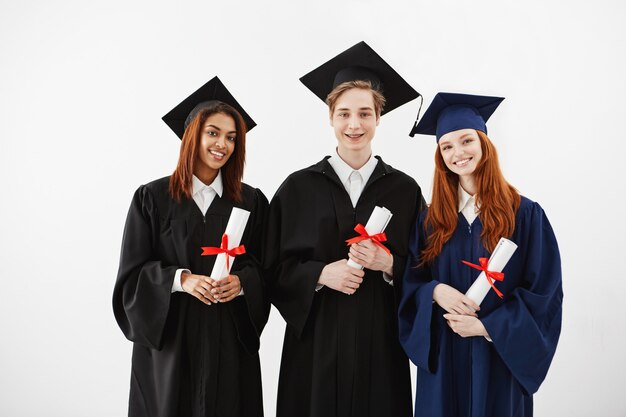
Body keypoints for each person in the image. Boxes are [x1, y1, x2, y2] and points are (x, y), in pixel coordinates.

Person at [265, 41, 425, 417]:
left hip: (380, 347)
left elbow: (425, 267)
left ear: (379, 118)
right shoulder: (297, 188)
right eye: (344, 113)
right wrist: (321, 273)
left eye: (365, 114)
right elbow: (270, 268)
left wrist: (389, 264)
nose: (354, 125)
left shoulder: (405, 190)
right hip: (315, 347)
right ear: (330, 117)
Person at [399, 92, 563, 417]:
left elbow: (544, 294)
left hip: (500, 359)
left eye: (466, 141)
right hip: (445, 360)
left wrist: (488, 327)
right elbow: (408, 286)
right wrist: (434, 291)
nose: (458, 153)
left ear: (484, 143)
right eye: (447, 146)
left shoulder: (525, 216)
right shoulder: (429, 221)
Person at [113, 76, 269, 417]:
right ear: (191, 135)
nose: (222, 144)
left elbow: (264, 268)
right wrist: (182, 280)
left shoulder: (250, 202)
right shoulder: (152, 198)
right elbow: (131, 277)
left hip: (228, 343)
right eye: (212, 132)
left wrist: (242, 283)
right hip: (170, 346)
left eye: (231, 137)